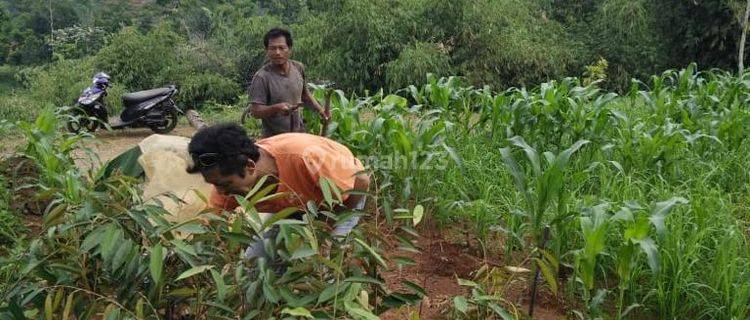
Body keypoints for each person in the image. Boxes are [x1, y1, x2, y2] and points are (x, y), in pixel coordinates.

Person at [186, 123, 369, 258]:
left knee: (322, 263)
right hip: (294, 207)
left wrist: (326, 228)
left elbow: (361, 181)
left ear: (250, 166)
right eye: (214, 184)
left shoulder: (305, 158)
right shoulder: (226, 188)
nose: (221, 192)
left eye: (225, 184)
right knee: (253, 263)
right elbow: (209, 226)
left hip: (342, 200)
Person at [248, 28, 330, 137]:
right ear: (266, 50)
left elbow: (305, 95)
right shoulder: (262, 77)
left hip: (298, 133)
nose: (277, 52)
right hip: (275, 139)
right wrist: (277, 108)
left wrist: (321, 111)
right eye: (272, 48)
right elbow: (256, 111)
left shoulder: (298, 67)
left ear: (289, 49)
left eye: (281, 48)